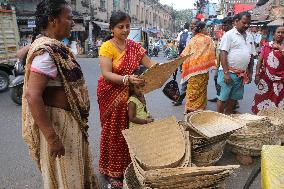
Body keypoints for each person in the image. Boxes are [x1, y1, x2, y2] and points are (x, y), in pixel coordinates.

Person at [22, 1, 99, 188]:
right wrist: (52, 138)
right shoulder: (46, 52)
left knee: (73, 175)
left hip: (68, 122)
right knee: (67, 178)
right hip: (58, 126)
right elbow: (33, 96)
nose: (72, 22)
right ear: (52, 20)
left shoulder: (55, 47)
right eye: (69, 18)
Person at [97, 11, 157, 188]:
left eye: (127, 26)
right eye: (120, 27)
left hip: (131, 94)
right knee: (115, 132)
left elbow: (150, 64)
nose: (125, 30)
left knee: (131, 130)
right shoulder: (107, 47)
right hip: (111, 93)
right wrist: (126, 79)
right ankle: (111, 171)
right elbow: (106, 74)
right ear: (112, 29)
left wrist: (165, 68)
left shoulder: (134, 46)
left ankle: (129, 165)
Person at [217, 12, 255, 115]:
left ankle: (228, 118)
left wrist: (250, 72)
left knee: (233, 99)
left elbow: (251, 56)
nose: (246, 25)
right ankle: (218, 119)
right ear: (236, 22)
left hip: (241, 74)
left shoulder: (250, 36)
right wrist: (226, 73)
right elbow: (223, 54)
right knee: (223, 98)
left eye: (248, 23)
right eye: (244, 23)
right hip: (228, 72)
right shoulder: (229, 35)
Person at [180, 21, 216, 113]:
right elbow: (212, 52)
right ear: (202, 29)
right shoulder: (208, 39)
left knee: (192, 89)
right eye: (206, 28)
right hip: (203, 70)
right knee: (201, 90)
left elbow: (184, 54)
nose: (207, 29)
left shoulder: (193, 39)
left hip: (192, 70)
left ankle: (189, 109)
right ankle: (199, 110)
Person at [252, 26, 284, 114]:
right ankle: (261, 121)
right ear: (273, 34)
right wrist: (257, 75)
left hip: (280, 81)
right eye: (278, 32)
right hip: (266, 80)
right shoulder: (266, 46)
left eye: (282, 33)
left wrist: (281, 49)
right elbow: (259, 61)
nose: (280, 34)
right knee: (262, 101)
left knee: (278, 104)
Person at [173, 18, 200, 106]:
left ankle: (196, 103)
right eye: (191, 24)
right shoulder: (188, 35)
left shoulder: (202, 37)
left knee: (196, 85)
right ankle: (180, 99)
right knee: (184, 82)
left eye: (194, 24)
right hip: (187, 63)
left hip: (197, 65)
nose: (192, 26)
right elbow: (185, 49)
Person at [208, 16, 234, 103]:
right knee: (217, 79)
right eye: (223, 25)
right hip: (219, 62)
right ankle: (219, 96)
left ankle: (229, 101)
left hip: (227, 64)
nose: (224, 27)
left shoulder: (233, 35)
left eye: (226, 25)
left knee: (227, 83)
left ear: (231, 24)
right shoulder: (224, 34)